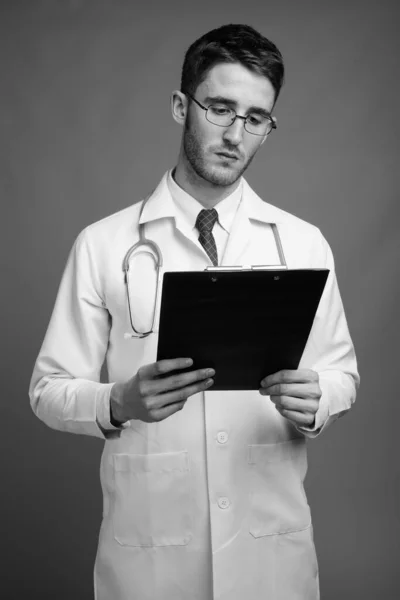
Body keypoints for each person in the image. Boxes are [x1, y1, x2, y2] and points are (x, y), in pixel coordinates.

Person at [29, 23, 359, 600]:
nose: (236, 133)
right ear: (182, 105)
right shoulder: (103, 244)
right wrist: (117, 401)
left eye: (256, 118)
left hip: (270, 557)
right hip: (151, 560)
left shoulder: (304, 244)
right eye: (220, 108)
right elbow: (47, 390)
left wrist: (318, 399)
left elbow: (343, 375)